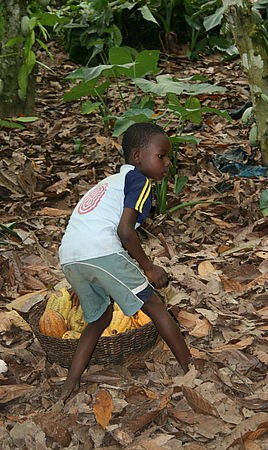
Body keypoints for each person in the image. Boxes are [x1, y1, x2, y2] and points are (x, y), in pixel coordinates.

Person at [58, 122, 191, 401]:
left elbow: (111, 222)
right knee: (154, 304)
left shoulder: (112, 182)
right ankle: (190, 367)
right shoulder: (140, 181)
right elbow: (124, 231)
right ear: (137, 156)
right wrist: (149, 268)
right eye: (162, 156)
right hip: (100, 249)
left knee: (100, 318)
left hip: (70, 255)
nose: (167, 163)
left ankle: (70, 383)